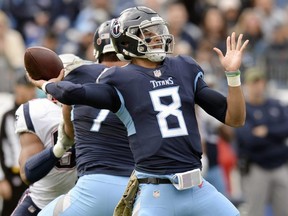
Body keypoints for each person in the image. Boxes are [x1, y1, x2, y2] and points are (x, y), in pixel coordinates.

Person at [29, 6, 249, 216]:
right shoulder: (120, 80)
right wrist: (46, 84)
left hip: (198, 186)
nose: (158, 37)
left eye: (157, 31)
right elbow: (76, 93)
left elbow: (235, 118)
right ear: (127, 41)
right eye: (148, 34)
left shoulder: (184, 67)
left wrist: (233, 75)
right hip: (157, 192)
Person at [38, 20, 134, 216]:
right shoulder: (142, 79)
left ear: (97, 50)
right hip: (137, 188)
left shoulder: (76, 73)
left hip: (92, 186)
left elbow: (70, 131)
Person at [10, 89, 77, 215]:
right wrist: (59, 148)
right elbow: (27, 173)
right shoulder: (38, 110)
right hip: (42, 201)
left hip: (83, 198)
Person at [235, 67, 288, 216]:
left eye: (260, 82)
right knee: (255, 211)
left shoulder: (275, 105)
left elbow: (286, 128)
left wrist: (267, 132)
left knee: (284, 210)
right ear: (247, 85)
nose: (257, 86)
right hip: (256, 167)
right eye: (253, 82)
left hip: (280, 165)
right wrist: (275, 135)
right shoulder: (244, 108)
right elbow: (249, 139)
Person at [0, 75, 35, 216]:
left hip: (33, 176)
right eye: (24, 87)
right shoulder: (7, 115)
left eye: (30, 88)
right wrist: (1, 180)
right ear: (16, 87)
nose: (27, 91)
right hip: (12, 176)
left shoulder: (36, 113)